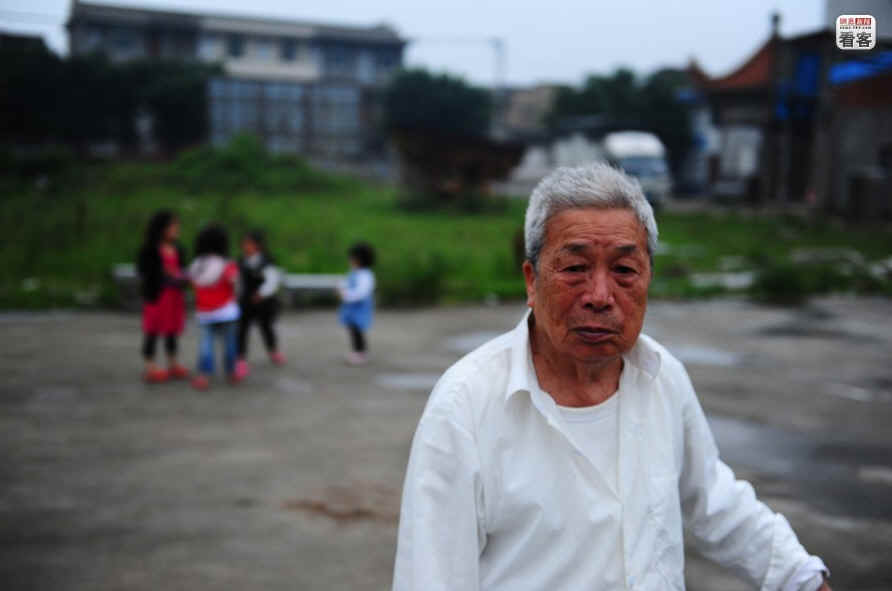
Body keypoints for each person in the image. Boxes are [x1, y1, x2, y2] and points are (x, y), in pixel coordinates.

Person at [393, 164, 831, 591]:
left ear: (648, 279)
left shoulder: (662, 378)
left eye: (623, 271)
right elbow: (431, 575)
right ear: (531, 281)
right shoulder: (466, 404)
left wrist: (801, 577)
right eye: (574, 268)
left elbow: (713, 499)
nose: (600, 296)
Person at [136, 210, 189, 383]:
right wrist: (162, 272)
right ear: (161, 228)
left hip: (174, 297)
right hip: (157, 296)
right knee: (152, 330)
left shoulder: (178, 249)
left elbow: (182, 270)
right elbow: (143, 270)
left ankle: (172, 363)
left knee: (172, 330)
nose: (176, 229)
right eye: (172, 226)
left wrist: (182, 276)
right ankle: (150, 366)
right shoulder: (150, 249)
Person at [188, 224, 240, 390]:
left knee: (206, 345)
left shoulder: (197, 265)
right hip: (227, 312)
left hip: (205, 312)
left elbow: (193, 284)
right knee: (230, 344)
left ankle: (204, 375)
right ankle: (231, 372)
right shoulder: (227, 264)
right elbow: (235, 284)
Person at [235, 230, 284, 379]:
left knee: (266, 327)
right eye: (244, 244)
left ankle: (272, 350)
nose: (246, 246)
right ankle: (241, 358)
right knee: (242, 330)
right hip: (245, 301)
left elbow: (272, 280)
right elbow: (238, 281)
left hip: (264, 302)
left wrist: (261, 293)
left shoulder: (266, 261)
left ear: (257, 245)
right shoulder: (241, 261)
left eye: (249, 244)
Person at [337, 242, 376, 365]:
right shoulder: (354, 273)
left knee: (357, 331)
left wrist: (346, 294)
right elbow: (347, 283)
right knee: (353, 331)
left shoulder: (366, 276)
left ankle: (360, 353)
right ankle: (356, 351)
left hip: (359, 310)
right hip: (351, 309)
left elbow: (361, 293)